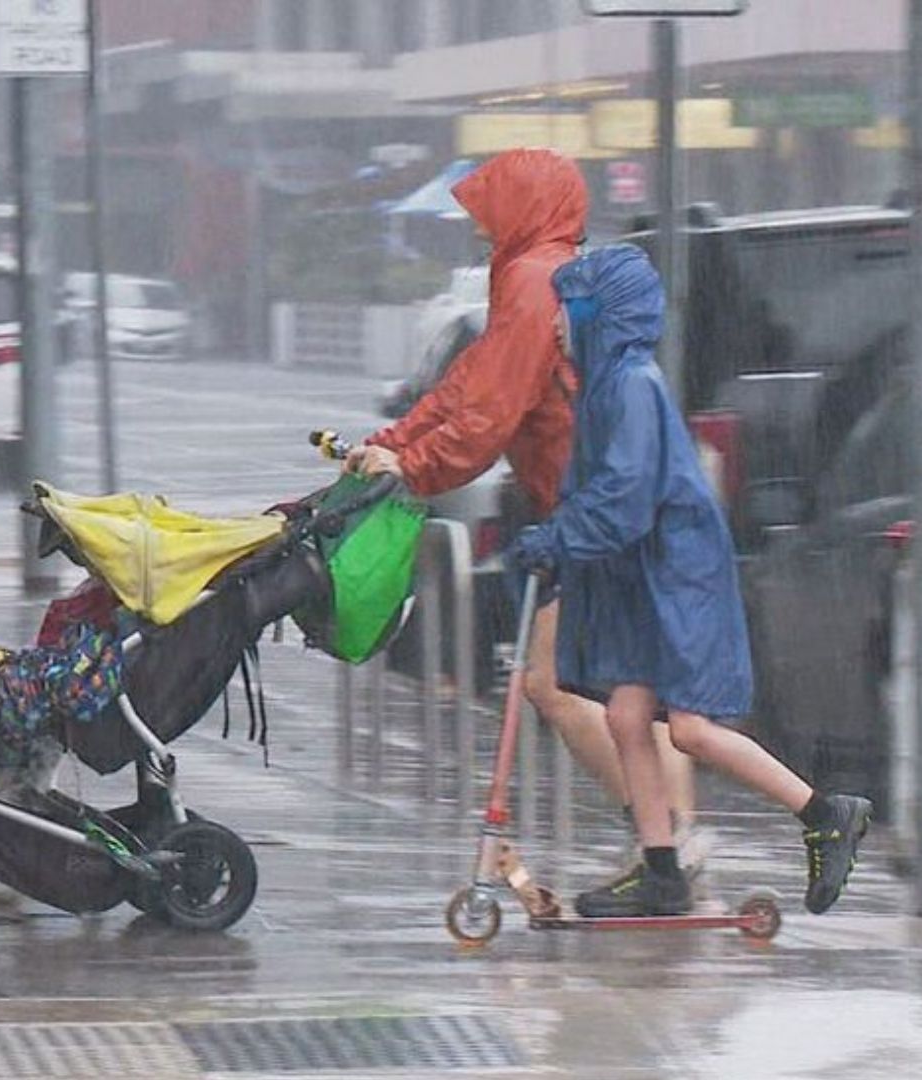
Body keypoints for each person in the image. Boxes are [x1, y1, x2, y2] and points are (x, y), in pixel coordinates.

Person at [343, 147, 701, 877]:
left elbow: (490, 411)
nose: (477, 220)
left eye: (490, 204)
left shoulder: (536, 281)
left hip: (596, 517)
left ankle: (668, 842)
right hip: (601, 512)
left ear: (524, 207)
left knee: (557, 686)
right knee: (629, 693)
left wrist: (413, 465)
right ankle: (671, 844)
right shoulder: (533, 275)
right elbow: (468, 384)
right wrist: (394, 443)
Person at [507, 243, 871, 918]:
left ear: (599, 312)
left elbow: (626, 494)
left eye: (566, 307)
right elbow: (604, 491)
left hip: (679, 575)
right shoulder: (608, 384)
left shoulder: (630, 385)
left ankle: (826, 814)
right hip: (650, 574)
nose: (555, 322)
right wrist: (562, 536)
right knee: (625, 715)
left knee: (691, 730)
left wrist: (559, 538)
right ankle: (661, 867)